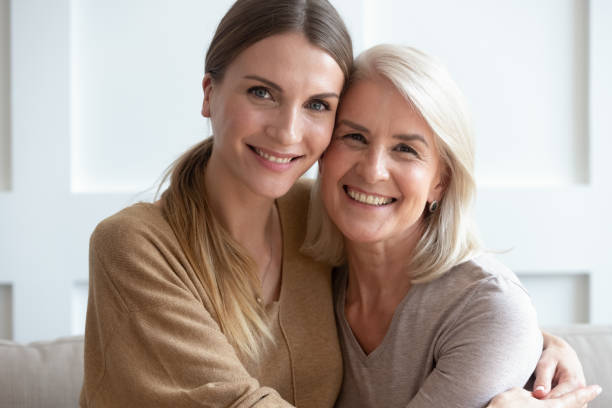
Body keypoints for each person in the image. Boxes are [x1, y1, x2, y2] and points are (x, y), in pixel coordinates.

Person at [79, 1, 597, 407]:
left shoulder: (318, 217)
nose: (287, 131)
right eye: (262, 92)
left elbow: (461, 304)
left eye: (318, 106)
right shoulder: (135, 244)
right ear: (209, 93)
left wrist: (535, 350)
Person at [302, 44, 601, 408]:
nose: (372, 170)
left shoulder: (487, 308)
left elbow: (501, 316)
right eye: (355, 137)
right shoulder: (303, 263)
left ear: (440, 181)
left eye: (406, 149)